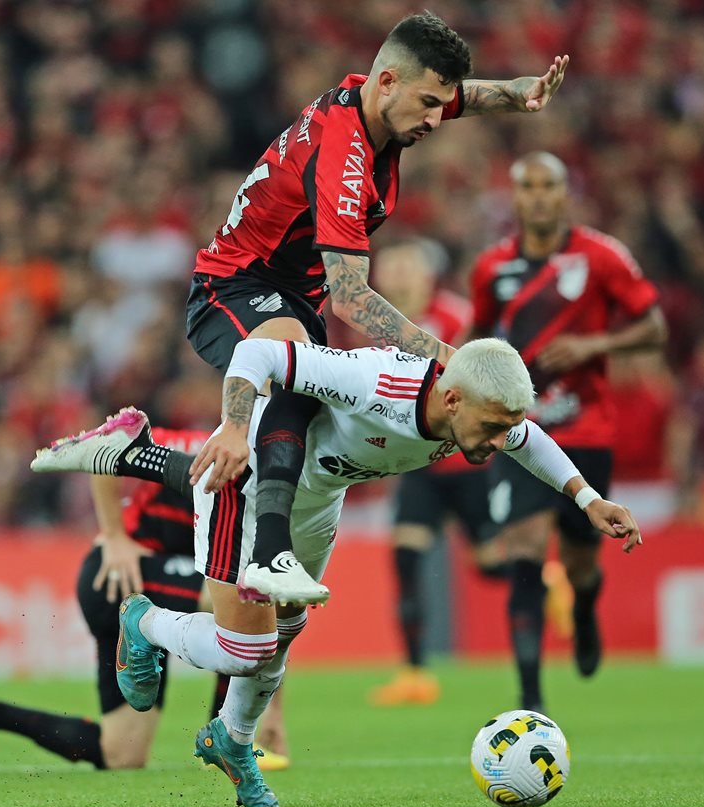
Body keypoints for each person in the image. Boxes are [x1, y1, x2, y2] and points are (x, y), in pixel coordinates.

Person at [31, 337, 642, 807]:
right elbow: (257, 351)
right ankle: (145, 622)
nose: (497, 441)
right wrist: (239, 426)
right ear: (452, 399)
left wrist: (589, 501)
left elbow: (530, 438)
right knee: (246, 649)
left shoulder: (480, 414)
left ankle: (232, 741)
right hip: (249, 490)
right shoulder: (378, 381)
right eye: (490, 427)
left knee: (284, 634)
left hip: (318, 501)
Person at [178, 10, 571, 607]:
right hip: (233, 287)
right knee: (293, 376)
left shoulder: (389, 103)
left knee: (294, 418)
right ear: (387, 82)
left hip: (290, 295)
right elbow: (352, 297)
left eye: (442, 104)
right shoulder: (344, 157)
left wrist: (521, 95)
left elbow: (460, 95)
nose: (437, 118)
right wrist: (446, 357)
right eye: (429, 104)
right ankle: (266, 554)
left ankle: (154, 460)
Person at [0, 428, 290, 772]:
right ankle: (234, 739)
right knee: (237, 604)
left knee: (122, 754)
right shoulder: (203, 447)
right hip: (120, 575)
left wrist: (272, 709)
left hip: (145, 590)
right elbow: (105, 453)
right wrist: (114, 535)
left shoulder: (275, 484)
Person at [469, 152, 668, 710]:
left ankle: (582, 609)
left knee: (582, 563)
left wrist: (594, 345)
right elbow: (476, 335)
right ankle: (531, 698)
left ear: (564, 195)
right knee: (525, 549)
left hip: (586, 431)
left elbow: (655, 327)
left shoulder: (601, 257)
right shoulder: (491, 269)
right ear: (515, 197)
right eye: (527, 186)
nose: (537, 196)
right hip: (517, 430)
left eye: (548, 186)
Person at [361, 237, 502, 707]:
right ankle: (416, 673)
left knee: (490, 564)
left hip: (466, 463)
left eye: (406, 265)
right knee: (405, 559)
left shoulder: (459, 320)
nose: (397, 275)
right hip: (420, 467)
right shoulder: (382, 328)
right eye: (391, 266)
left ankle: (544, 577)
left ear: (426, 274)